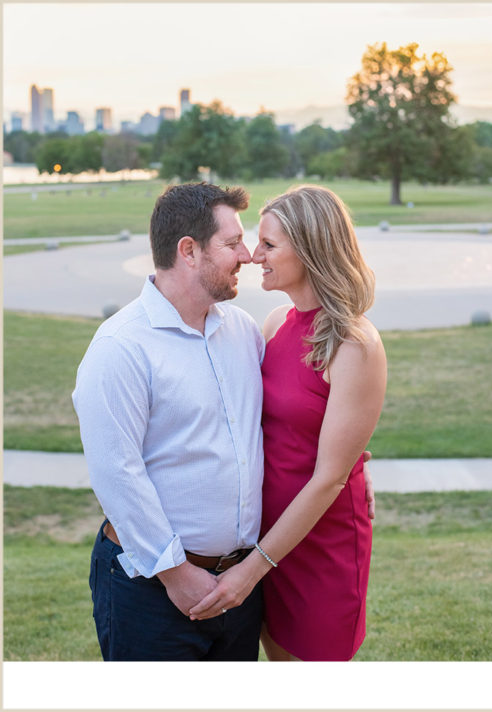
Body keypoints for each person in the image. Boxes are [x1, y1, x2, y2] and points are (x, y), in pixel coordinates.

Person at [188, 185, 387, 662]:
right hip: (263, 533)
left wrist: (253, 569)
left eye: (269, 244)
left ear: (310, 248)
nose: (254, 256)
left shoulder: (354, 344)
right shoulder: (276, 323)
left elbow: (329, 478)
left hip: (319, 541)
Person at [73, 183, 266, 660]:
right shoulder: (121, 346)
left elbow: (279, 422)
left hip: (239, 584)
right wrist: (175, 573)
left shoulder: (243, 332)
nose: (247, 255)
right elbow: (116, 473)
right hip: (150, 590)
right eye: (232, 243)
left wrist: (351, 466)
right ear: (189, 251)